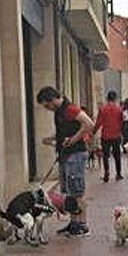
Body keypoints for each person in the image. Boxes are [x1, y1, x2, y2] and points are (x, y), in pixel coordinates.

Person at [36, 86, 95, 237]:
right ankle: (74, 222)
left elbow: (89, 124)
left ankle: (82, 225)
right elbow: (65, 130)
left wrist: (73, 139)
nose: (47, 109)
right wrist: (54, 138)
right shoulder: (59, 112)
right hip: (66, 155)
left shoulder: (70, 109)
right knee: (69, 191)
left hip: (75, 154)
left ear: (52, 99)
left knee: (77, 191)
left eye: (47, 105)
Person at [94, 90, 125, 182]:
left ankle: (106, 173)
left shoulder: (103, 109)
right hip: (116, 135)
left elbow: (99, 122)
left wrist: (93, 132)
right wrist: (121, 133)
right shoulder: (119, 109)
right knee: (117, 155)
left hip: (105, 136)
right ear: (115, 98)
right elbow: (121, 123)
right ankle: (118, 173)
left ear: (107, 98)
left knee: (105, 155)